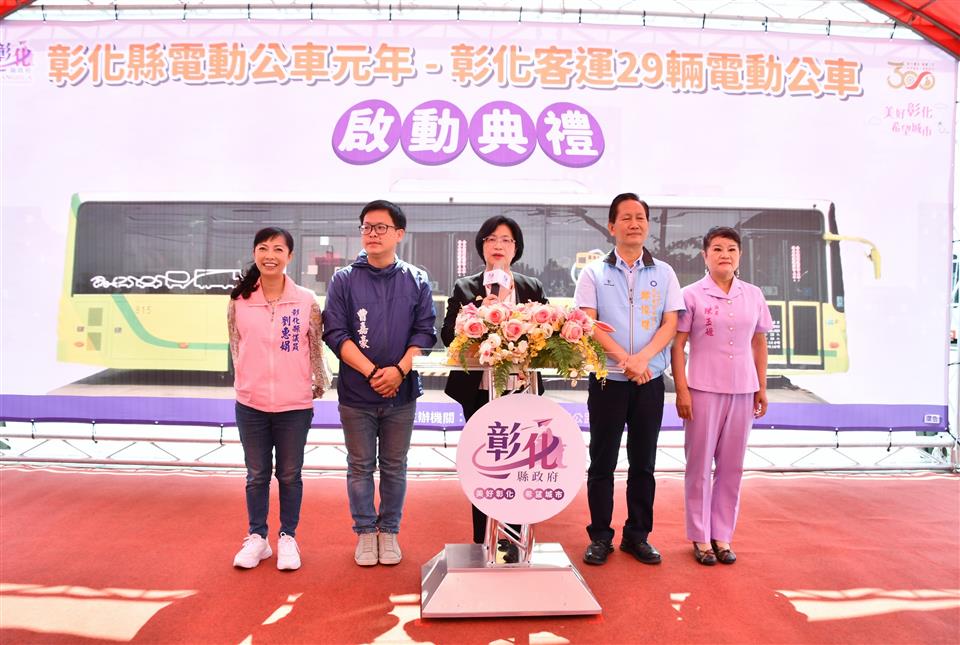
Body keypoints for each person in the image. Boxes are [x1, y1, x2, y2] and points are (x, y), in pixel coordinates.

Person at [322, 200, 437, 567]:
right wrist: (373, 373)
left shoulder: (416, 279)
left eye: (381, 227)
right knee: (359, 466)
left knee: (394, 465)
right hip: (357, 393)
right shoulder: (343, 279)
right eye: (367, 227)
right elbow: (335, 333)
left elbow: (425, 332)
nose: (372, 233)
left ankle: (388, 531)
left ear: (399, 234)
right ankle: (364, 532)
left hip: (401, 393)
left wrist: (399, 371)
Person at [574, 192, 684, 566]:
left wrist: (643, 359)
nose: (634, 223)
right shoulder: (594, 272)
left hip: (649, 381)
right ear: (612, 226)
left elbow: (670, 323)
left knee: (643, 463)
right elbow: (588, 322)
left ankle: (637, 536)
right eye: (626, 217)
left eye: (640, 217)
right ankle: (600, 537)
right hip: (609, 380)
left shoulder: (664, 273)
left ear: (647, 225)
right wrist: (625, 360)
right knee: (601, 462)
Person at [441, 215, 548, 553]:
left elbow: (548, 338)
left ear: (516, 248)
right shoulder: (466, 288)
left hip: (522, 389)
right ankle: (483, 539)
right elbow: (447, 337)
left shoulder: (531, 287)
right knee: (484, 464)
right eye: (490, 239)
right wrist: (476, 317)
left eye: (505, 240)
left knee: (519, 464)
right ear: (482, 246)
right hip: (479, 391)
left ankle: (514, 538)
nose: (498, 245)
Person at [228, 226, 331, 571]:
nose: (269, 255)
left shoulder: (305, 300)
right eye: (263, 248)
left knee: (289, 474)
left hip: (294, 406)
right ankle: (257, 538)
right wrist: (245, 383)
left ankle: (288, 537)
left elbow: (315, 348)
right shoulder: (239, 300)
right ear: (254, 253)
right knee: (256, 474)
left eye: (277, 249)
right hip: (251, 405)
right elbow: (236, 347)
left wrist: (318, 383)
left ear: (290, 256)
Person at [671, 226, 772, 565]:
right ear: (705, 255)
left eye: (731, 249)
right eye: (717, 249)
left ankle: (722, 536)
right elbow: (678, 345)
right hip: (702, 390)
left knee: (732, 467)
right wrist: (682, 390)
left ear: (740, 255)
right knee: (699, 466)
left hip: (744, 390)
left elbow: (759, 342)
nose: (724, 255)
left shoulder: (753, 295)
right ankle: (700, 537)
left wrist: (761, 386)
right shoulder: (690, 295)